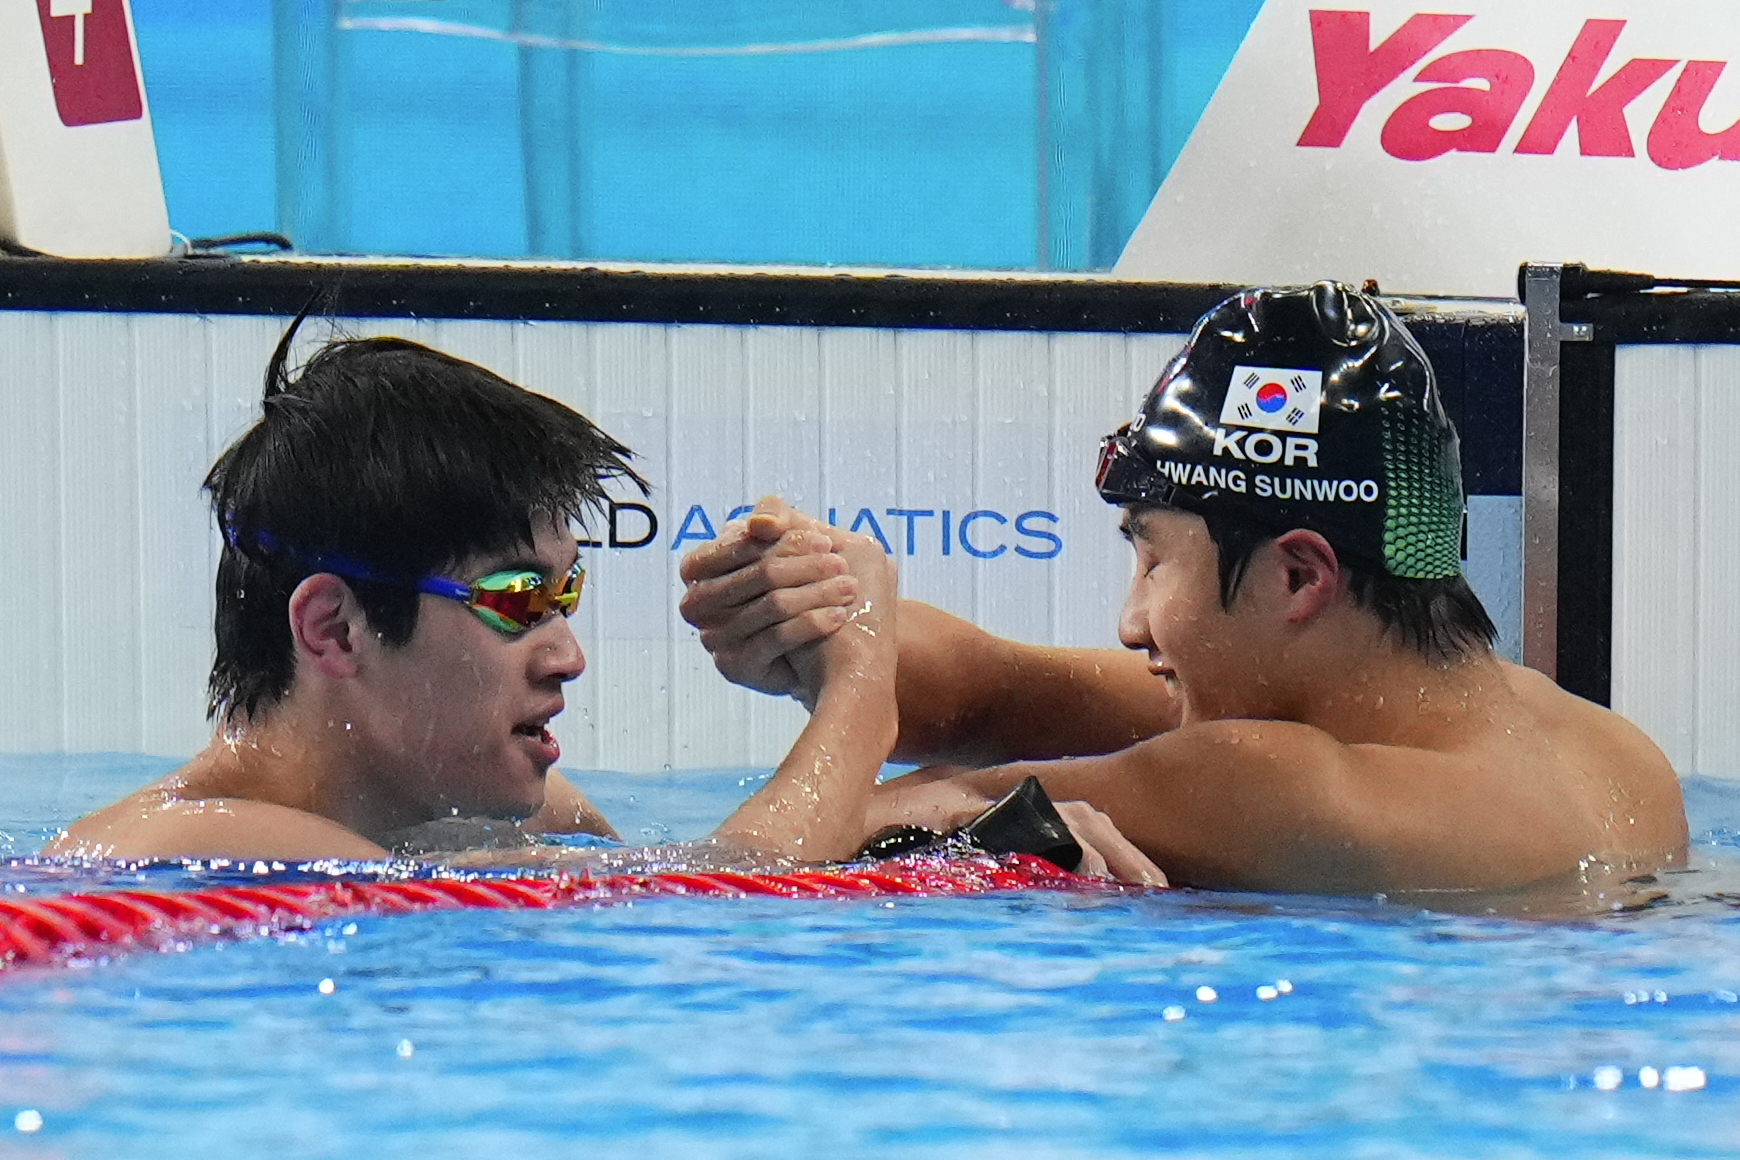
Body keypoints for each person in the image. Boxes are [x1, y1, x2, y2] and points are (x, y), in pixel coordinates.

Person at [678, 282, 1689, 902]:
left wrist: (854, 690)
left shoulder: (1275, 783)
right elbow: (997, 690)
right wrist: (812, 609)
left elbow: (753, 879)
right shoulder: (1601, 749)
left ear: (1300, 574)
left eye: (1153, 560)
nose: (1128, 619)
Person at [45, 326, 910, 867]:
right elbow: (733, 894)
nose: (568, 654)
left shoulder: (490, 813)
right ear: (334, 630)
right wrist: (862, 684)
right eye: (517, 600)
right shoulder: (177, 851)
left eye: (568, 593)